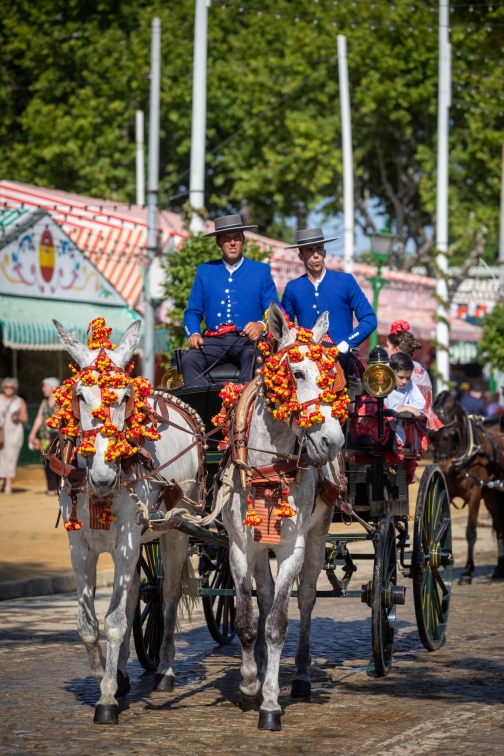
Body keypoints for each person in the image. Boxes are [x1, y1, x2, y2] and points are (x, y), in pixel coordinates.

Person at [182, 214, 279, 385]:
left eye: (237, 238)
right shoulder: (205, 271)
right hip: (213, 341)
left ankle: (241, 409)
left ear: (243, 240)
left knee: (253, 359)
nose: (232, 243)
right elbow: (193, 311)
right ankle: (207, 407)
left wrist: (261, 325)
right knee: (188, 361)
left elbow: (275, 311)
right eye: (227, 239)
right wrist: (194, 333)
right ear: (218, 242)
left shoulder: (261, 271)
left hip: (247, 341)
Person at [280, 228, 377, 365]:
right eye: (309, 250)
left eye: (319, 249)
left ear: (324, 252)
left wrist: (345, 345)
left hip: (341, 358)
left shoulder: (346, 281)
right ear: (301, 256)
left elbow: (369, 319)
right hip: (305, 359)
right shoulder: (293, 288)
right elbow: (285, 328)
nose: (316, 255)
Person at [386, 319, 442, 431]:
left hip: (406, 429)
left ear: (396, 350)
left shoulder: (387, 368)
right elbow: (426, 410)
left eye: (387, 346)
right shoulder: (421, 370)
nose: (385, 349)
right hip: (419, 428)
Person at [385, 352, 426, 447]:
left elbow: (420, 406)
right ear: (392, 372)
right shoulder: (384, 384)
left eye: (408, 378)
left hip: (399, 436)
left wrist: (406, 407)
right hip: (382, 433)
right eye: (401, 377)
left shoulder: (410, 384)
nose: (404, 381)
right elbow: (380, 409)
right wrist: (400, 409)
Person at [28, 377, 60, 496]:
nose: (43, 389)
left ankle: (59, 487)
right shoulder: (44, 402)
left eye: (44, 386)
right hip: (45, 437)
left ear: (51, 388)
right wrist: (32, 433)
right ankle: (50, 488)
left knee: (59, 460)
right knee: (46, 462)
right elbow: (39, 419)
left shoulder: (60, 401)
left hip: (57, 436)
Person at [0, 377, 28, 495]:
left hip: (14, 432)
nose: (9, 389)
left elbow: (25, 418)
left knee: (11, 457)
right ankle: (2, 478)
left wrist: (18, 418)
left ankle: (8, 484)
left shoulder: (19, 401)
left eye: (12, 387)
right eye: (6, 387)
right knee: (1, 457)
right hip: (1, 431)